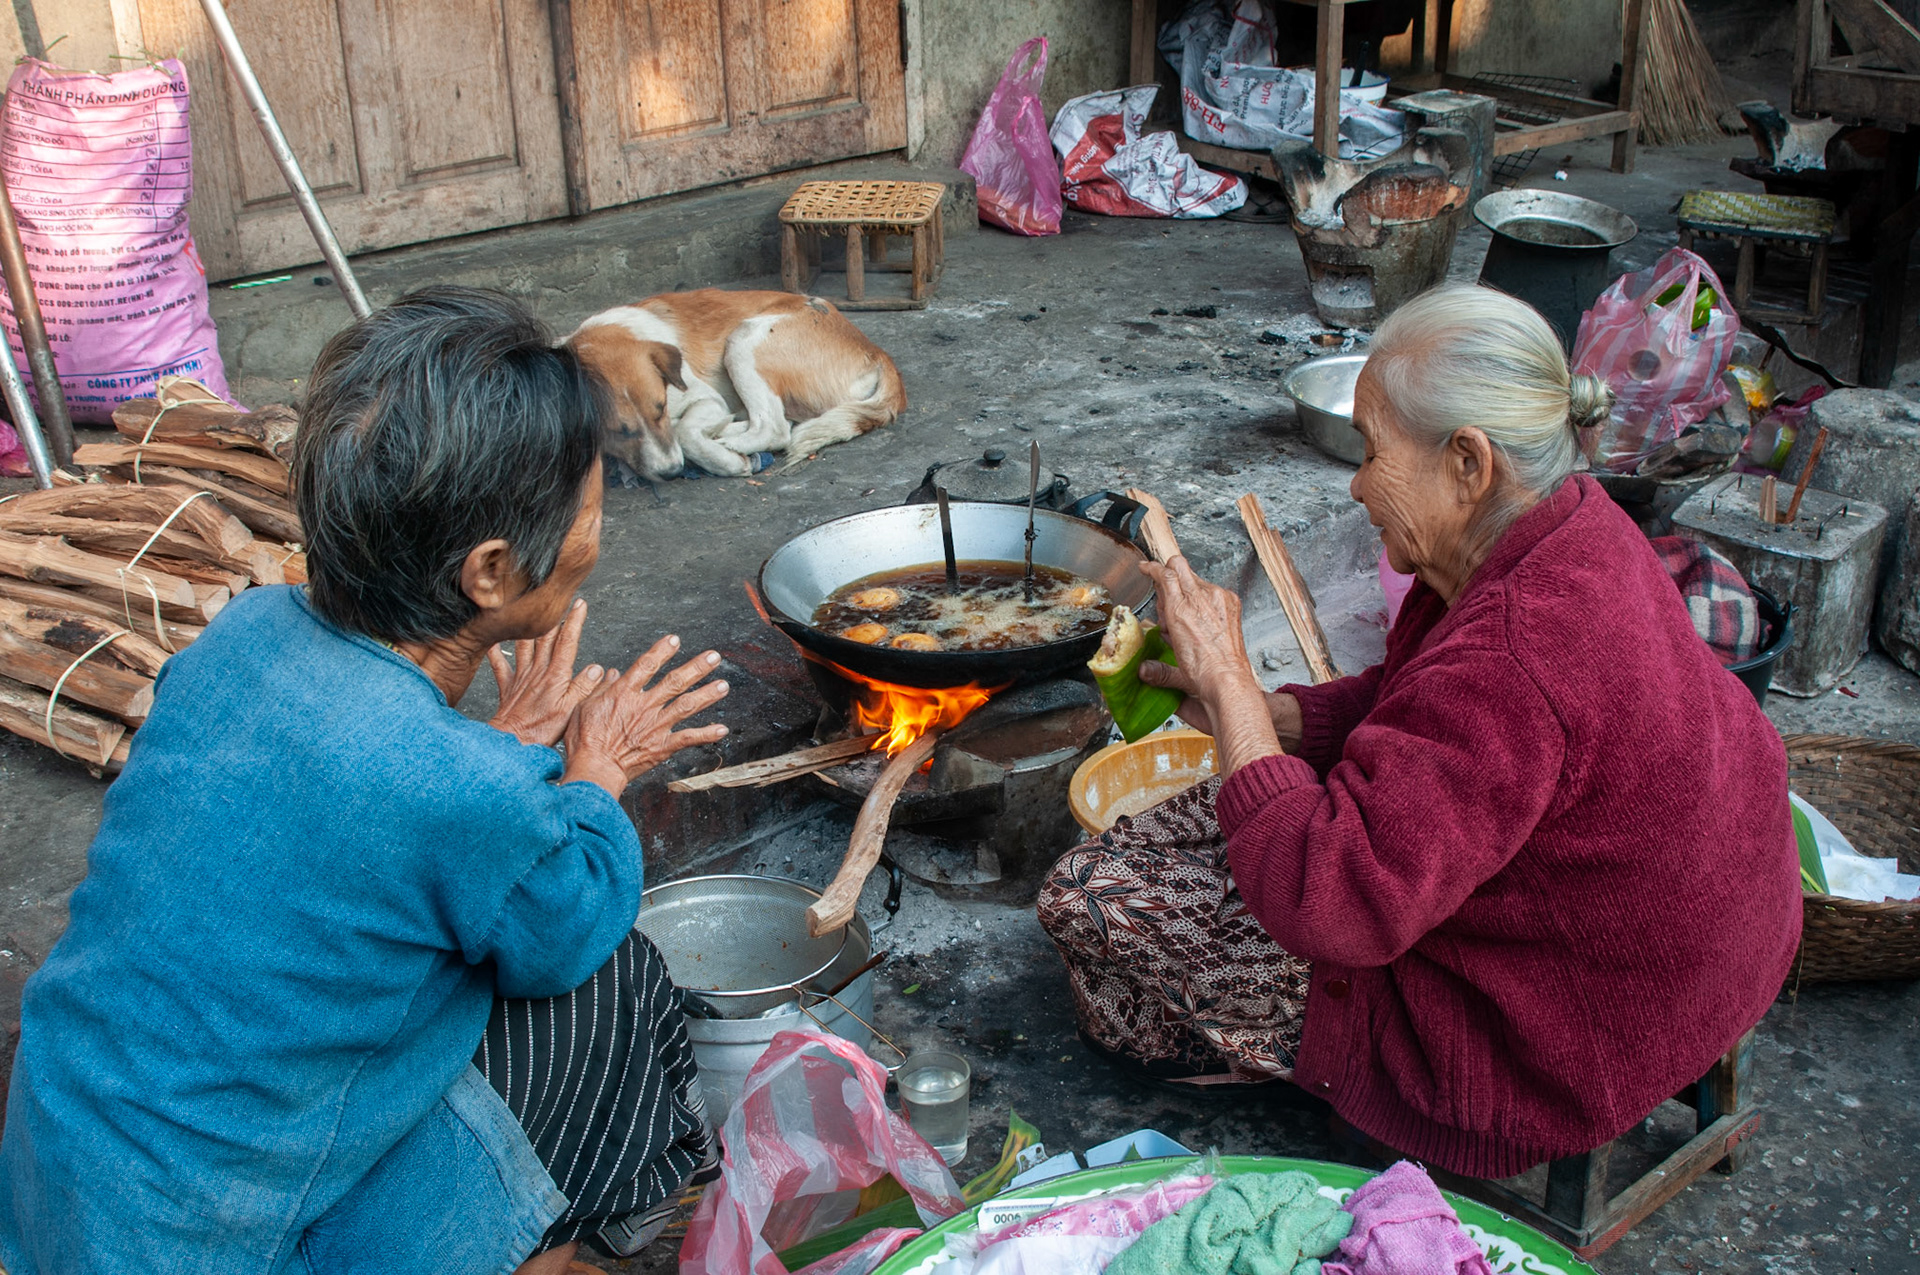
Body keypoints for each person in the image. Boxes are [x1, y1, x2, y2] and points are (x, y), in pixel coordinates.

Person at [0, 287, 731, 1273]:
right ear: (490, 572)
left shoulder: (245, 633)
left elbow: (358, 799)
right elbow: (562, 929)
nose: (601, 532)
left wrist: (500, 755)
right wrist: (594, 776)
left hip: (67, 1186)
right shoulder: (454, 789)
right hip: (222, 1244)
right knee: (609, 977)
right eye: (595, 503)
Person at [1038, 285, 1802, 1178]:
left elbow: (1338, 901)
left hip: (1563, 1032)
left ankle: (1342, 1075)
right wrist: (1281, 718)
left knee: (1083, 895)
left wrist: (1239, 695)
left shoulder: (1518, 651)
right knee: (1163, 835)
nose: (1356, 484)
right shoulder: (1572, 524)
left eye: (1371, 454)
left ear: (1468, 463)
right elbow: (1425, 710)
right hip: (1707, 941)